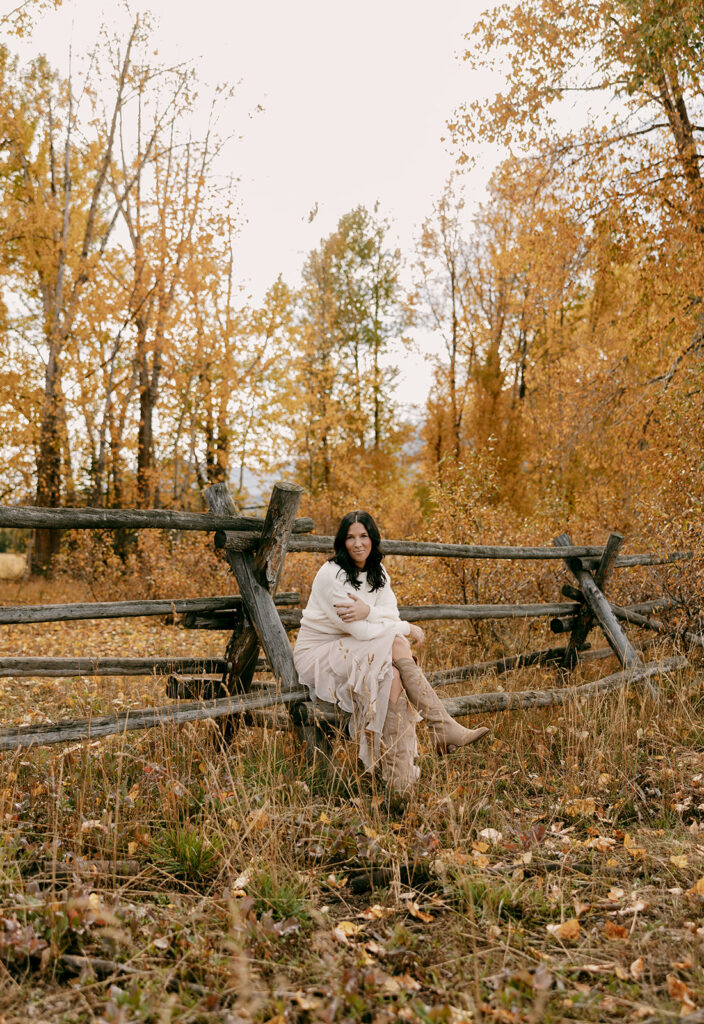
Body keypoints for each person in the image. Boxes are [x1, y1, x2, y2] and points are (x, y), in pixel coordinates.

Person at [293, 510, 489, 793]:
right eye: (350, 537)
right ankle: (442, 726)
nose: (358, 543)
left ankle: (399, 785)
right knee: (398, 642)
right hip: (320, 652)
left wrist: (368, 611)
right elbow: (362, 631)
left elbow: (389, 613)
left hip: (357, 648)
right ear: (342, 542)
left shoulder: (378, 572)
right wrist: (406, 627)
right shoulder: (331, 575)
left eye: (364, 536)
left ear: (373, 538)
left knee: (393, 678)